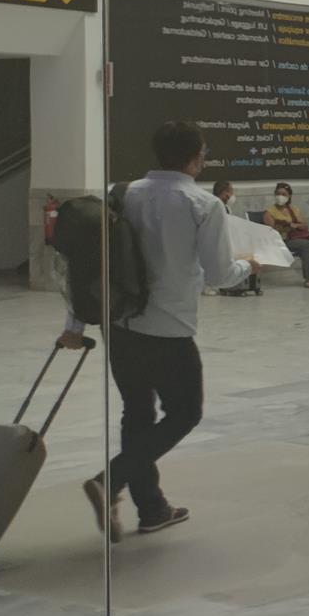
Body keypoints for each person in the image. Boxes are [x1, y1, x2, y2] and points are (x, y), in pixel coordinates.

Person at [62, 121, 257, 540]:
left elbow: (90, 262)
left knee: (137, 412)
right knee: (185, 412)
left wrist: (74, 325)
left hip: (122, 324)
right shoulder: (203, 205)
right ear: (197, 157)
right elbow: (221, 274)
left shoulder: (122, 192)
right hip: (169, 328)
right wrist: (250, 265)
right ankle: (109, 480)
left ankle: (152, 508)